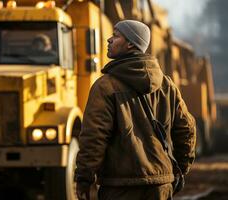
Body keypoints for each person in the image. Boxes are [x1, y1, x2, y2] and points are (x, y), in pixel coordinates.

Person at [74, 20, 196, 200]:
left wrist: (84, 179)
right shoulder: (167, 85)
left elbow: (94, 137)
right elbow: (187, 129)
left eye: (115, 36)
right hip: (161, 186)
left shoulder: (105, 86)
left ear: (131, 43)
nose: (109, 40)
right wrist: (180, 168)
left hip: (120, 187)